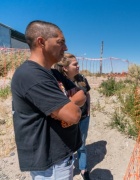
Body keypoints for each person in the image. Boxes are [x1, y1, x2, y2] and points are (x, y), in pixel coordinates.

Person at [11, 20, 86, 180]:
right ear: (41, 42)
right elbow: (73, 116)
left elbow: (81, 95)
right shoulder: (31, 75)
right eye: (61, 42)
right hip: (50, 164)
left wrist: (65, 105)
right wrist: (68, 107)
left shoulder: (52, 73)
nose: (65, 48)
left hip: (61, 155)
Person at [53, 53, 91, 180]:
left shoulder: (82, 79)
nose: (78, 66)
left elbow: (88, 95)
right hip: (66, 119)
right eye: (75, 64)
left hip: (84, 117)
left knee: (82, 144)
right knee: (66, 145)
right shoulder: (59, 81)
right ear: (65, 67)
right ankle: (66, 168)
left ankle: (83, 169)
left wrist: (88, 111)